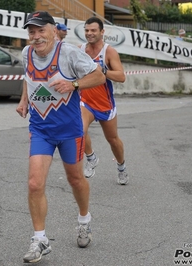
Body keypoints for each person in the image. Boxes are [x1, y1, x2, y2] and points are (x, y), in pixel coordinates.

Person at [16, 11, 105, 263]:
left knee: (75, 179)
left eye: (41, 30)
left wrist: (74, 85)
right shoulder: (26, 53)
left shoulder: (69, 53)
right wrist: (24, 101)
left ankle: (84, 219)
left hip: (69, 130)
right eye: (31, 32)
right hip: (41, 129)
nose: (36, 37)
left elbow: (99, 75)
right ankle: (40, 239)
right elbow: (28, 78)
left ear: (54, 31)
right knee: (34, 183)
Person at [79, 17, 128, 184]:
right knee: (79, 129)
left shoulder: (109, 51)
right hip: (85, 101)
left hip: (105, 104)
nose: (89, 33)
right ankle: (91, 157)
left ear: (102, 32)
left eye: (93, 30)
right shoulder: (80, 50)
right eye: (87, 30)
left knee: (113, 140)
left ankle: (121, 167)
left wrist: (102, 71)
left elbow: (121, 76)